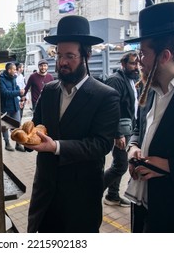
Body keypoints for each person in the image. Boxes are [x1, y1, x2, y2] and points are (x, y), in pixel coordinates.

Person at [22, 15, 120, 232]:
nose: (62, 62)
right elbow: (37, 126)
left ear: (86, 54)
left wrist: (56, 147)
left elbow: (101, 145)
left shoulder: (106, 96)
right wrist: (24, 136)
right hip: (45, 195)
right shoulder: (49, 91)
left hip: (80, 199)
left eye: (70, 56)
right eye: (58, 55)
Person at [124, 2, 174, 233]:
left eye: (143, 54)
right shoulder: (149, 86)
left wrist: (170, 165)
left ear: (164, 56)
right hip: (142, 207)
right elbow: (139, 128)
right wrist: (133, 147)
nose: (139, 60)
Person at [103, 51, 139, 207]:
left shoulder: (131, 79)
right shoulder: (115, 80)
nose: (136, 67)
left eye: (137, 63)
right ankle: (93, 191)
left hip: (127, 130)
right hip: (119, 132)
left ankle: (112, 195)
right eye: (132, 63)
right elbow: (110, 109)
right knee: (121, 165)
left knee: (118, 163)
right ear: (123, 64)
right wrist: (117, 134)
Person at [0, 62, 25, 152]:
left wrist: (22, 94)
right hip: (5, 107)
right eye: (14, 69)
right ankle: (7, 143)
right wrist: (19, 92)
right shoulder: (1, 79)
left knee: (17, 125)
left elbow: (16, 87)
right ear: (9, 70)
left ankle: (18, 144)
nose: (16, 71)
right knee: (5, 126)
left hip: (15, 106)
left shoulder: (14, 78)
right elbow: (4, 93)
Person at [15, 62, 27, 152]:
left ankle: (18, 142)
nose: (22, 68)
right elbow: (16, 90)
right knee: (17, 122)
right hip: (16, 101)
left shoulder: (22, 76)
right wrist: (19, 99)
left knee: (20, 120)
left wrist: (24, 99)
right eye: (22, 67)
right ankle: (17, 143)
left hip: (21, 100)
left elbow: (24, 88)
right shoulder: (14, 77)